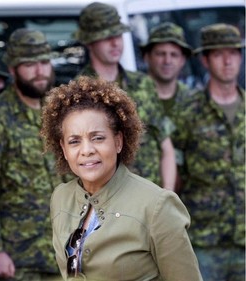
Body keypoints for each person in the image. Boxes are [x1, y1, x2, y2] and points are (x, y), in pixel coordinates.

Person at [40, 75, 203, 281]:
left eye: (97, 138)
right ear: (63, 149)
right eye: (74, 141)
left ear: (118, 142)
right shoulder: (61, 197)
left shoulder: (157, 206)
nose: (86, 150)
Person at [0, 28, 64, 281]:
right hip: (18, 258)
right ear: (12, 70)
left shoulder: (58, 112)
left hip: (63, 250)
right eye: (29, 64)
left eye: (44, 62)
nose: (40, 71)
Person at [75, 2, 176, 190]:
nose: (115, 43)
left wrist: (167, 197)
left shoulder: (143, 84)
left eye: (118, 35)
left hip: (150, 202)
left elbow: (165, 146)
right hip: (107, 206)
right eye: (106, 37)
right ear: (89, 42)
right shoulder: (77, 94)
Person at [173, 23, 245, 281]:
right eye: (218, 54)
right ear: (205, 60)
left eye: (233, 53)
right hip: (204, 238)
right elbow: (174, 172)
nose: (227, 61)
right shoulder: (187, 111)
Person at [140, 22, 193, 190]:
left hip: (193, 199)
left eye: (174, 54)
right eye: (160, 54)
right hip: (146, 191)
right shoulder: (132, 97)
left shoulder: (193, 100)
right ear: (146, 56)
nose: (167, 61)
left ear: (183, 60)